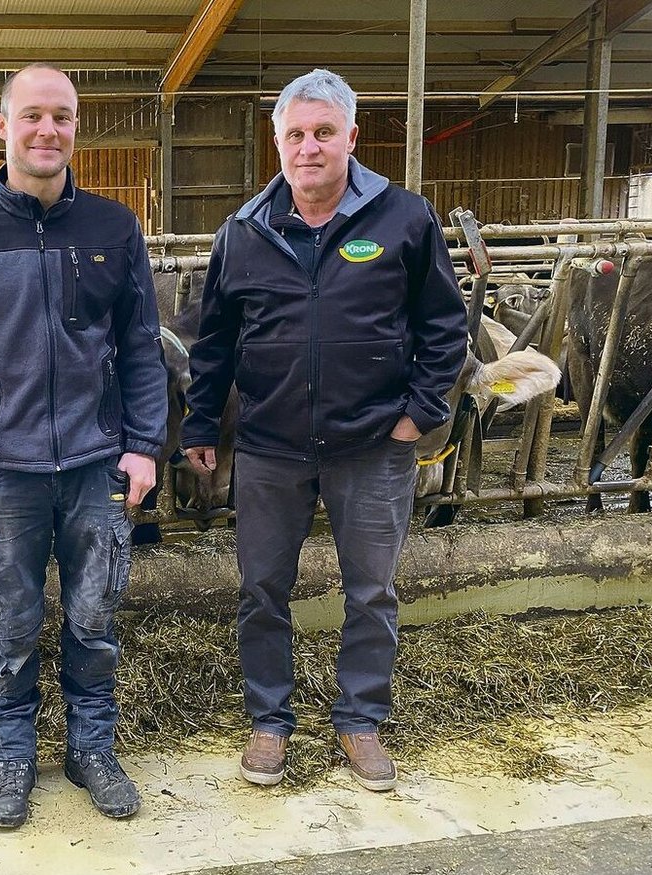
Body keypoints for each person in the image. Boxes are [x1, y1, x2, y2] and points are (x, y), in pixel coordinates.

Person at [181, 68, 468, 792]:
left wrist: (419, 414)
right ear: (276, 141)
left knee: (371, 591)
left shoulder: (404, 218)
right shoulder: (243, 231)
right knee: (262, 589)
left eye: (323, 132)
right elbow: (214, 341)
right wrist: (202, 421)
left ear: (351, 137)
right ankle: (269, 719)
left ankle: (360, 718)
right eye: (295, 135)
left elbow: (444, 327)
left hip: (372, 444)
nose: (308, 148)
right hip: (270, 446)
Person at [0, 63, 168, 828]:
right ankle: (14, 756)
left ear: (76, 126)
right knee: (12, 623)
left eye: (62, 115)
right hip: (3, 472)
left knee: (94, 618)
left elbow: (141, 346)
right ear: (2, 126)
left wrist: (144, 445)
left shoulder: (114, 228)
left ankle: (91, 748)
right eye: (31, 115)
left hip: (96, 465)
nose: (47, 130)